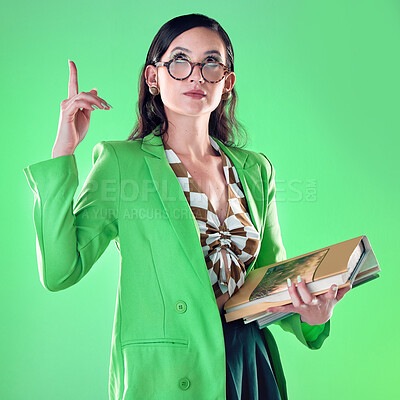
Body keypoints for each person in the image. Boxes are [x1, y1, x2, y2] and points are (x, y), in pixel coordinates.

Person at [23, 13, 351, 400]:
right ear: (153, 78)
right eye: (179, 61)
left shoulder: (255, 170)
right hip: (170, 372)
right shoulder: (121, 163)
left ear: (226, 82)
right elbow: (61, 271)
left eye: (211, 63)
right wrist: (64, 153)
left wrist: (312, 315)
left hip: (248, 363)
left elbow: (267, 279)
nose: (196, 75)